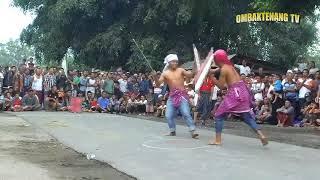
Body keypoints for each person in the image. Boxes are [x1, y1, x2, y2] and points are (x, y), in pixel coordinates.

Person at [208, 49, 268, 146]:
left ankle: (217, 140)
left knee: (218, 115)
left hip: (234, 93)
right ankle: (261, 135)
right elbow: (215, 70)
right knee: (246, 116)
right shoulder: (230, 66)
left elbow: (221, 86)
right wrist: (208, 70)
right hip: (243, 92)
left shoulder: (223, 69)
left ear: (218, 59)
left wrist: (212, 78)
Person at [153, 54, 199, 138]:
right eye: (173, 61)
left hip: (182, 95)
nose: (175, 63)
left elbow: (190, 75)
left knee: (186, 113)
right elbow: (158, 85)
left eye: (176, 61)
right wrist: (155, 76)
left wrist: (195, 65)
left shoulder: (181, 70)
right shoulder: (165, 73)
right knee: (168, 115)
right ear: (169, 63)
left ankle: (193, 130)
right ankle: (172, 131)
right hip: (172, 96)